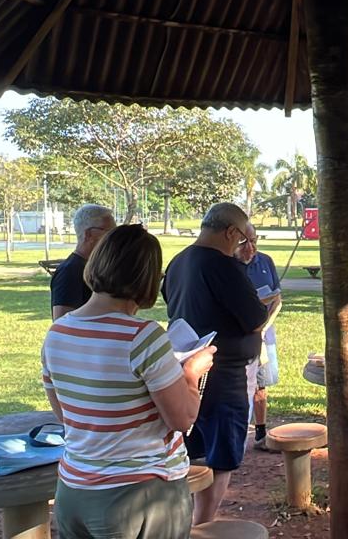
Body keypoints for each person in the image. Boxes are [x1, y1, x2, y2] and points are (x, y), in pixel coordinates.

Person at [41, 224, 215, 538]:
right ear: (147, 279)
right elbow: (181, 419)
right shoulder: (144, 336)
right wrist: (190, 374)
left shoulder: (57, 334)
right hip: (140, 493)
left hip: (73, 491)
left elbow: (66, 416)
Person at [162, 203, 275, 524]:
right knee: (222, 455)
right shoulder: (223, 265)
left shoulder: (179, 260)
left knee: (194, 449)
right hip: (226, 373)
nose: (241, 245)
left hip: (185, 367)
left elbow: (170, 300)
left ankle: (192, 519)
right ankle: (204, 524)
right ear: (230, 232)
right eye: (241, 238)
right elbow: (253, 317)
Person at [234, 223, 283, 451]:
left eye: (255, 241)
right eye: (245, 242)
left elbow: (277, 299)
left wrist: (263, 329)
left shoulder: (265, 262)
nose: (251, 248)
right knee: (239, 385)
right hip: (237, 337)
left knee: (261, 384)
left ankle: (261, 433)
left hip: (264, 334)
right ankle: (237, 436)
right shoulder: (227, 266)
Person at [50, 204, 116, 320]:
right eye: (109, 232)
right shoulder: (70, 271)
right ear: (89, 234)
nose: (114, 237)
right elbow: (62, 323)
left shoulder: (93, 266)